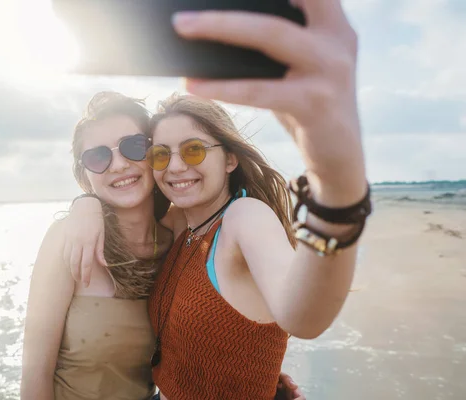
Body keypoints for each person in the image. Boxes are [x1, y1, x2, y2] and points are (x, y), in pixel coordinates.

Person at [65, 0, 371, 398]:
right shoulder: (180, 225)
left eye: (192, 150)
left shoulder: (244, 217)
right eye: (161, 154)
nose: (174, 167)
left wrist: (337, 188)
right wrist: (85, 204)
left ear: (229, 158)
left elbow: (304, 317)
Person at [21, 92, 304, 400]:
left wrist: (255, 375)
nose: (118, 165)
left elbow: (209, 326)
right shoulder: (68, 239)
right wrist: (84, 204)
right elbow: (35, 375)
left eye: (134, 147)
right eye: (97, 157)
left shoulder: (178, 237)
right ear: (84, 173)